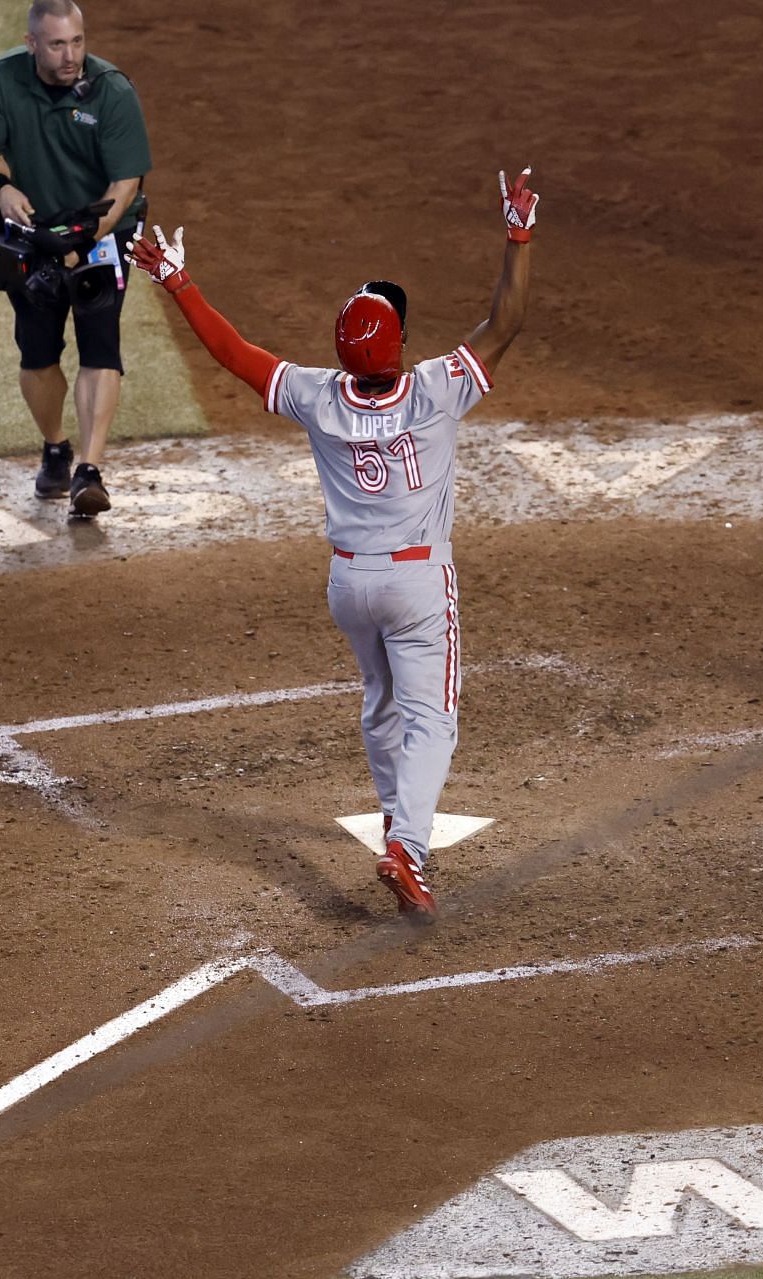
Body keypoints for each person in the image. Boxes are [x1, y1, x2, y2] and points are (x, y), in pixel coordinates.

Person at [128, 169, 539, 921]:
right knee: (434, 719)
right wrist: (517, 235)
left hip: (349, 585)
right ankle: (407, 849)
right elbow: (503, 322)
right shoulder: (437, 388)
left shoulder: (319, 396)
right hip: (417, 584)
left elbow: (234, 351)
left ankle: (394, 820)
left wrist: (180, 282)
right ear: (402, 344)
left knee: (382, 705)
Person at [0, 0, 152, 519]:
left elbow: (125, 184)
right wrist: (3, 188)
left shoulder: (111, 90)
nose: (71, 55)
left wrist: (87, 234)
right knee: (37, 352)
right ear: (32, 45)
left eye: (77, 41)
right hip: (31, 235)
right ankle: (56, 447)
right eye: (57, 44)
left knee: (101, 347)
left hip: (101, 232)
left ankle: (89, 471)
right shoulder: (1, 81)